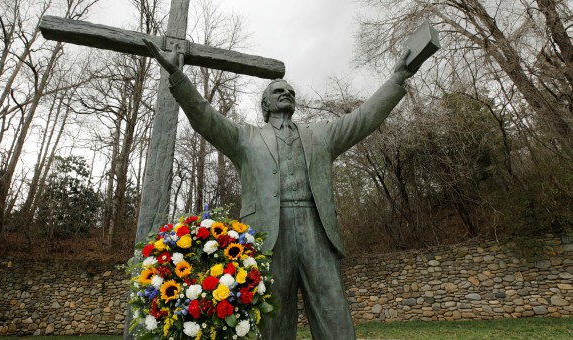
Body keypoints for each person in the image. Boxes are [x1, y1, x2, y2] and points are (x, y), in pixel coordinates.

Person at [143, 38, 414, 340]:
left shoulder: (320, 135)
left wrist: (397, 78)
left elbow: (363, 119)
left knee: (333, 309)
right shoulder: (245, 138)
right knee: (273, 316)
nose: (286, 93)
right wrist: (178, 78)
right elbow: (205, 117)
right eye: (278, 91)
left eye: (290, 92)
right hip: (268, 236)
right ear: (265, 104)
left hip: (316, 230)